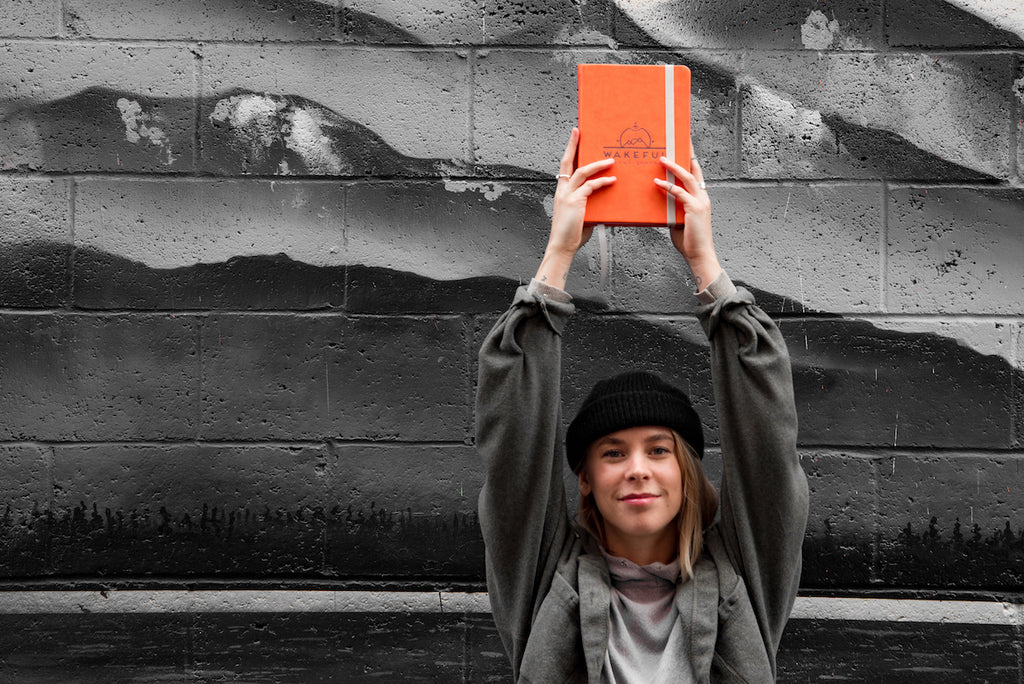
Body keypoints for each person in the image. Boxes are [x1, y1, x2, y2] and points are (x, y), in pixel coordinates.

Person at [476, 128, 809, 682]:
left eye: (658, 450)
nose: (637, 471)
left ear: (686, 470)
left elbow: (769, 451)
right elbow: (513, 447)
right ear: (583, 479)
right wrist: (559, 255)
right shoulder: (543, 578)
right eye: (612, 454)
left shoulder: (742, 577)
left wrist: (705, 265)